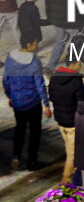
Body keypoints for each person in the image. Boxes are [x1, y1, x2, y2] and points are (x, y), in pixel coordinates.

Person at [3, 34, 50, 169]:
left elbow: (6, 80)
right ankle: (32, 161)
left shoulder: (10, 58)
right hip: (32, 102)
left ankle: (16, 156)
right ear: (29, 44)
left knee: (20, 129)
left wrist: (10, 96)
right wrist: (46, 104)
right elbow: (39, 85)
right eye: (35, 43)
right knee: (35, 132)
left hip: (18, 102)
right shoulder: (34, 62)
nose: (36, 45)